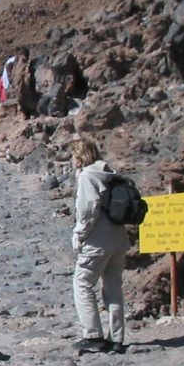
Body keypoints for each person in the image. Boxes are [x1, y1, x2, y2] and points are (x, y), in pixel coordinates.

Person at [70, 136, 129, 354]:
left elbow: (88, 210)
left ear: (79, 155)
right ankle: (117, 338)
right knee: (113, 289)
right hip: (118, 239)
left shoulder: (88, 176)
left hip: (98, 241)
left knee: (82, 283)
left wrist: (79, 234)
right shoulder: (109, 173)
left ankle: (93, 335)